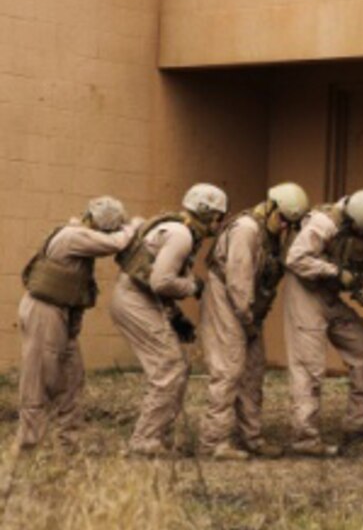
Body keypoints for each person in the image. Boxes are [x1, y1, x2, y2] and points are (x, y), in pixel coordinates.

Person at [111, 183, 228, 457]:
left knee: (176, 365)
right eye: (218, 216)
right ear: (207, 213)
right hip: (135, 299)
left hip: (139, 297)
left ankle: (156, 436)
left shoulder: (179, 230)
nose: (219, 223)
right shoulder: (181, 235)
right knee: (169, 367)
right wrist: (194, 288)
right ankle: (145, 441)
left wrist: (175, 316)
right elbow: (161, 282)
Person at [14, 197, 137, 452]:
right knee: (38, 377)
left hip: (60, 312)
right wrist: (133, 227)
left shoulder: (79, 238)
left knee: (72, 375)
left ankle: (68, 442)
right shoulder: (73, 236)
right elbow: (116, 243)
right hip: (43, 310)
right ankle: (28, 443)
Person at [199, 182, 310, 460]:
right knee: (229, 368)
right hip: (229, 297)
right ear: (270, 207)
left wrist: (252, 317)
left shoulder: (272, 233)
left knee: (253, 369)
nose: (285, 226)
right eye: (283, 218)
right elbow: (238, 280)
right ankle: (214, 442)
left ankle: (250, 436)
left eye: (291, 223)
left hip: (249, 306)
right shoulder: (246, 230)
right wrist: (247, 319)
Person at [282, 189, 363, 456]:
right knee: (309, 367)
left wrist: (361, 288)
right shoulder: (323, 223)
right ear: (352, 220)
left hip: (329, 295)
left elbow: (361, 265)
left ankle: (358, 427)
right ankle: (305, 439)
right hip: (305, 294)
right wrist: (337, 273)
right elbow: (296, 259)